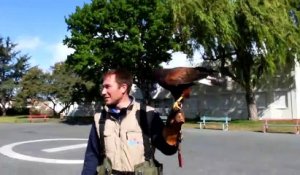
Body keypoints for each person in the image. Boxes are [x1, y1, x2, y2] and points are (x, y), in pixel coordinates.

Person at [81, 69, 182, 175]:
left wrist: (173, 130)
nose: (103, 92)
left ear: (123, 88)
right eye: (103, 87)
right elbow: (91, 158)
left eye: (107, 87)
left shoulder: (147, 114)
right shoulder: (100, 119)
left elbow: (168, 150)